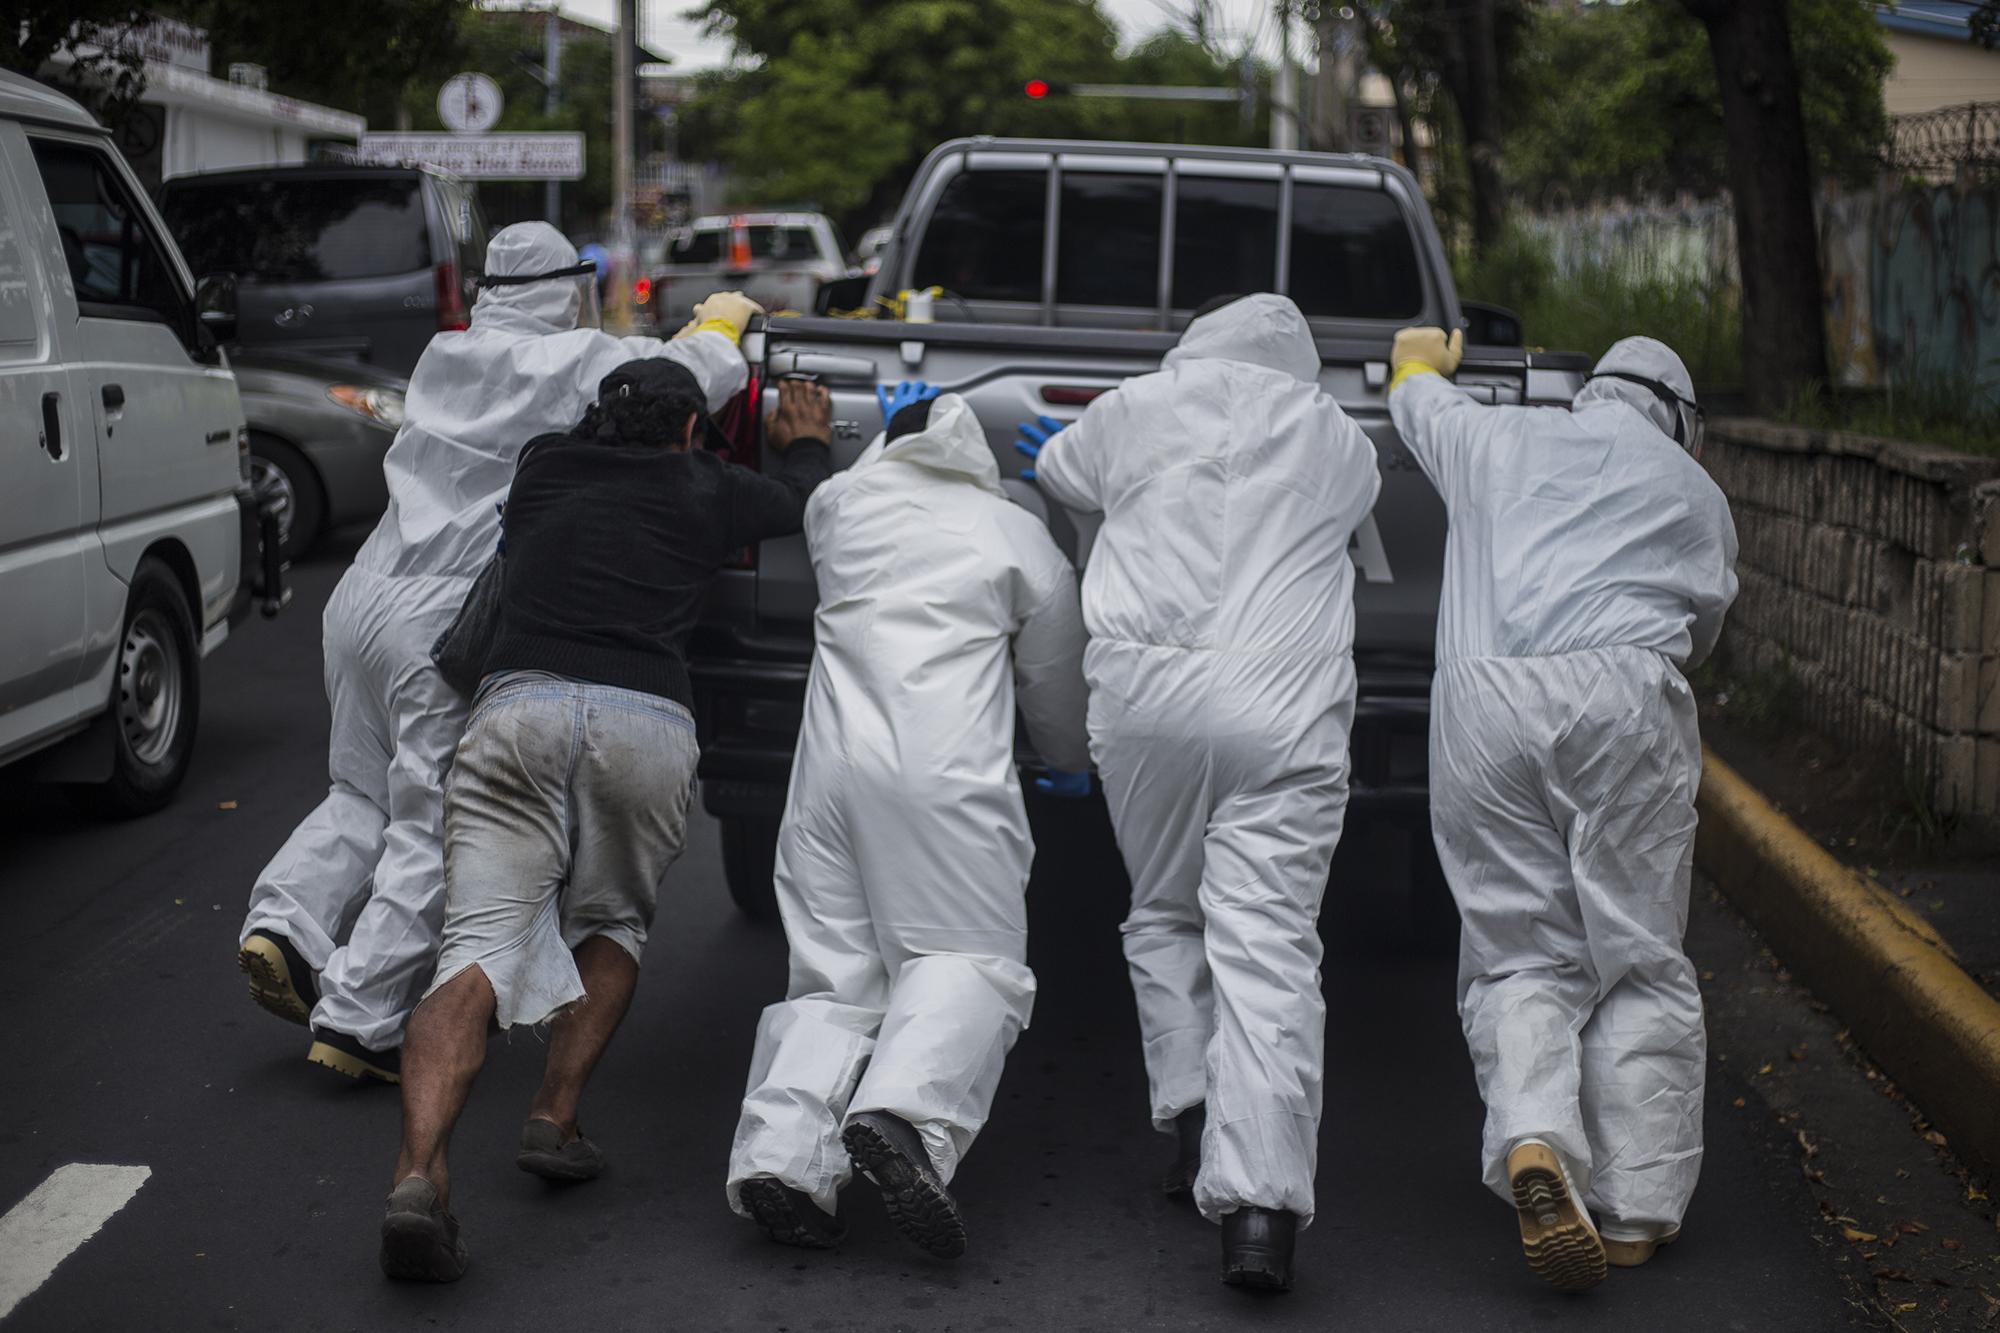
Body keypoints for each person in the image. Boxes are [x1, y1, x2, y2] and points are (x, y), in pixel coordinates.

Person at [237, 219, 759, 1084]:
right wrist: (720, 324)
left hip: (363, 595)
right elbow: (682, 383)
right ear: (568, 287)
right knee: (430, 816)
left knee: (356, 789)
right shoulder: (573, 360)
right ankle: (361, 1019)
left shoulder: (447, 352)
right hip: (439, 617)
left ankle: (283, 925)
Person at [379, 369, 833, 1283]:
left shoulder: (545, 465)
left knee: (471, 952)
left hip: (519, 708)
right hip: (646, 723)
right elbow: (797, 505)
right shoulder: (709, 487)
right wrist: (801, 440)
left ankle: (416, 1175)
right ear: (693, 433)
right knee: (614, 921)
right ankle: (555, 1112)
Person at [1015, 294, 1380, 1292]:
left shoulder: (1132, 407)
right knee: (1265, 944)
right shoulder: (1338, 440)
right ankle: (1258, 1207)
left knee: (1167, 911)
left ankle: (1188, 1119)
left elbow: (1054, 471)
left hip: (1145, 708)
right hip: (1283, 710)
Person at [1385, 328, 1737, 1290]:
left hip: (1480, 708)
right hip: (1622, 700)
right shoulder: (1693, 491)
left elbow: (1416, 405)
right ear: (1679, 420)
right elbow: (1699, 629)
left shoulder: (1497, 439)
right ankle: (1632, 1211)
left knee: (1519, 950)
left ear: (1592, 392)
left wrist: (1418, 359)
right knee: (1637, 953)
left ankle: (1536, 1135)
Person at [725, 385, 1090, 1260]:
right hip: (944, 778)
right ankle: (901, 1117)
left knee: (833, 981)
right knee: (971, 958)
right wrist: (1072, 759)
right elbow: (1053, 679)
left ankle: (783, 1160)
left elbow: (835, 480)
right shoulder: (1016, 535)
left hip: (827, 783)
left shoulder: (840, 507)